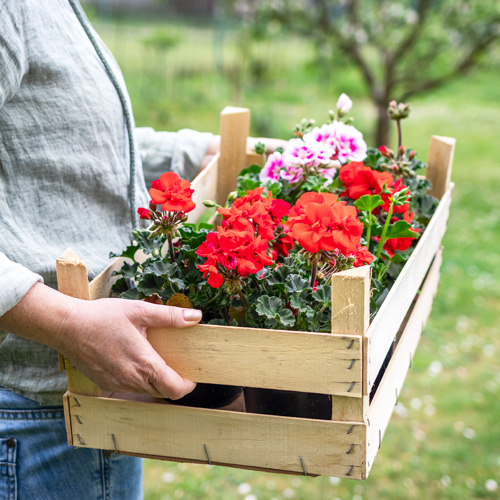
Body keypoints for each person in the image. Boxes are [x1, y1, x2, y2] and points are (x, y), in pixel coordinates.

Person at [0, 1, 223, 498]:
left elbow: (59, 136)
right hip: (34, 417)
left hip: (89, 390)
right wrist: (67, 323)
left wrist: (198, 152)